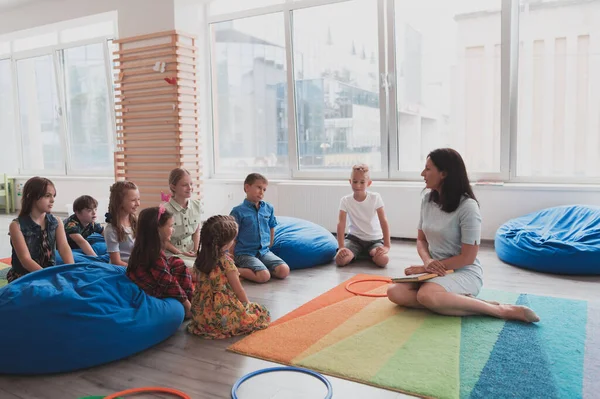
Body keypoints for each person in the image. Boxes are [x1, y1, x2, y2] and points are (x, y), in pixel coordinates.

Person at [386, 148, 540, 323]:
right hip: (434, 271)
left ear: (444, 173)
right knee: (395, 292)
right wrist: (428, 262)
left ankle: (500, 310)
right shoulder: (427, 200)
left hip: (464, 271)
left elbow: (468, 257)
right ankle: (466, 303)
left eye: (428, 169)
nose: (423, 173)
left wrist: (425, 268)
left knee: (426, 295)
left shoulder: (468, 207)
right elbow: (421, 240)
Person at [187, 215, 270, 339]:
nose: (233, 242)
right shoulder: (226, 263)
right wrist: (247, 305)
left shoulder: (200, 260)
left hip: (201, 316)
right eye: (233, 240)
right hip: (221, 316)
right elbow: (238, 290)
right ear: (225, 245)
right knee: (261, 312)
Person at [126, 206, 193, 318]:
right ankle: (189, 308)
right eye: (171, 226)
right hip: (151, 291)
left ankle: (191, 301)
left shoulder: (145, 246)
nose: (173, 230)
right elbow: (167, 282)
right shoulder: (153, 253)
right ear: (157, 229)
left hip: (151, 282)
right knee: (178, 269)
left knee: (177, 263)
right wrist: (187, 303)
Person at [7, 177, 74, 282]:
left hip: (49, 271)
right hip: (25, 276)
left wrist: (72, 270)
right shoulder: (16, 226)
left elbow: (64, 248)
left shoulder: (56, 222)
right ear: (31, 196)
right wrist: (49, 277)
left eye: (53, 196)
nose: (52, 200)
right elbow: (25, 260)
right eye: (47, 196)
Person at [230, 173, 290, 283]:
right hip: (245, 253)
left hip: (264, 252)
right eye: (258, 187)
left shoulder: (268, 208)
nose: (261, 192)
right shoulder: (237, 211)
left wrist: (270, 244)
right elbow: (232, 236)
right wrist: (231, 257)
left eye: (264, 189)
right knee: (264, 276)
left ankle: (259, 269)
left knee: (284, 270)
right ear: (247, 187)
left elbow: (271, 226)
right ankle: (233, 270)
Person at [335, 164, 391, 267]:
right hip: (354, 239)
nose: (357, 185)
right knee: (340, 261)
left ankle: (366, 253)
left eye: (362, 182)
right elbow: (341, 223)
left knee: (383, 260)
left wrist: (387, 245)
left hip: (374, 240)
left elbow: (383, 221)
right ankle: (360, 253)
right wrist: (341, 247)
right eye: (355, 182)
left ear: (369, 183)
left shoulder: (375, 198)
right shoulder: (345, 200)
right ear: (350, 181)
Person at [163, 168, 201, 267]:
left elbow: (196, 232)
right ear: (173, 187)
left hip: (192, 251)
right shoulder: (164, 210)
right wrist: (180, 253)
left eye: (191, 184)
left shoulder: (197, 206)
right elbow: (163, 241)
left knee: (216, 266)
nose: (190, 188)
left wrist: (196, 251)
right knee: (195, 270)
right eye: (185, 185)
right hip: (173, 254)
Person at [104, 181, 140, 266]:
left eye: (138, 199)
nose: (138, 204)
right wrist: (137, 269)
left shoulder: (136, 222)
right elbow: (116, 262)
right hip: (124, 268)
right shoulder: (111, 230)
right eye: (133, 200)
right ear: (119, 202)